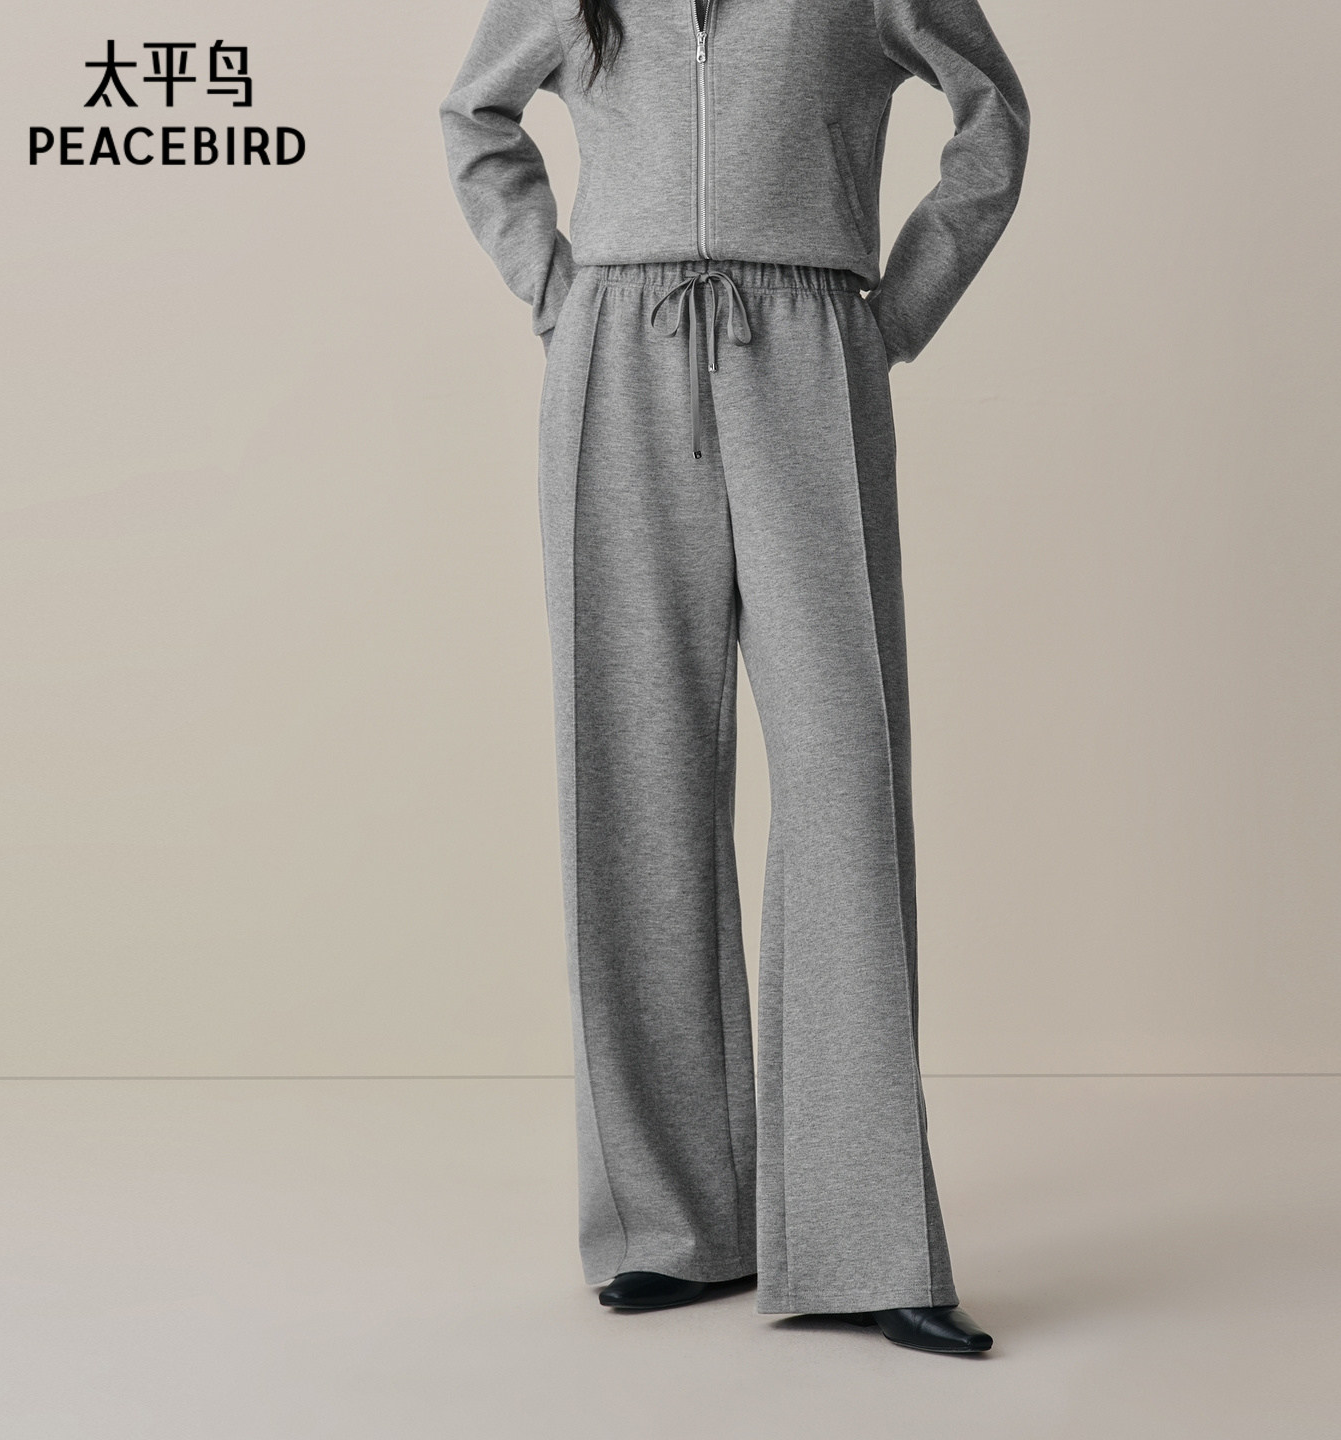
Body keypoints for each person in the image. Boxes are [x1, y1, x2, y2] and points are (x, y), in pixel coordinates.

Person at [440, 0, 1029, 1355]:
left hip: (810, 339)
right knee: (630, 773)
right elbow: (474, 115)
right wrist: (554, 286)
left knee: (844, 777)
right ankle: (671, 1223)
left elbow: (993, 113)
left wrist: (898, 309)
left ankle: (865, 1245)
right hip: (617, 349)